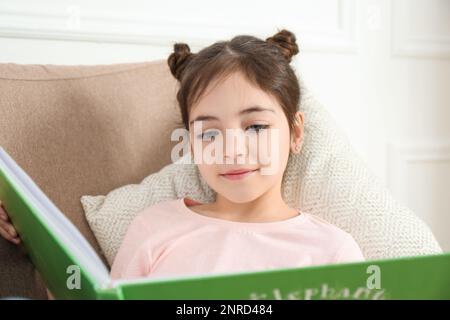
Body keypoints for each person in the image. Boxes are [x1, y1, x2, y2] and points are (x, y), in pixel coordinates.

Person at [0, 29, 364, 285]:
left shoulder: (332, 251)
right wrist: (33, 241)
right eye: (209, 133)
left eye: (255, 127)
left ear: (295, 133)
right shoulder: (154, 226)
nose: (231, 149)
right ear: (191, 142)